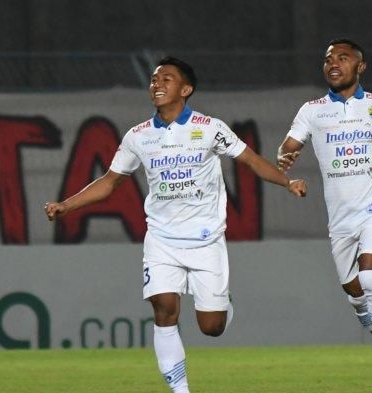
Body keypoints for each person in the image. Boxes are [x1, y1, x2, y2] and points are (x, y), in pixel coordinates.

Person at [45, 56, 307, 393]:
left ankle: (224, 307)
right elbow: (110, 181)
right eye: (154, 79)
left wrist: (287, 183)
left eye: (166, 79)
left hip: (205, 239)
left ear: (186, 89)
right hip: (162, 239)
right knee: (164, 308)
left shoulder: (210, 128)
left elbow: (251, 160)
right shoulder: (138, 136)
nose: (156, 84)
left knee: (211, 326)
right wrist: (67, 204)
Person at [276, 38, 372, 392]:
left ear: (360, 67)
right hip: (340, 217)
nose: (333, 63)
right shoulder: (312, 110)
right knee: (356, 295)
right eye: (328, 58)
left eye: (343, 58)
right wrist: (285, 156)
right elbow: (289, 144)